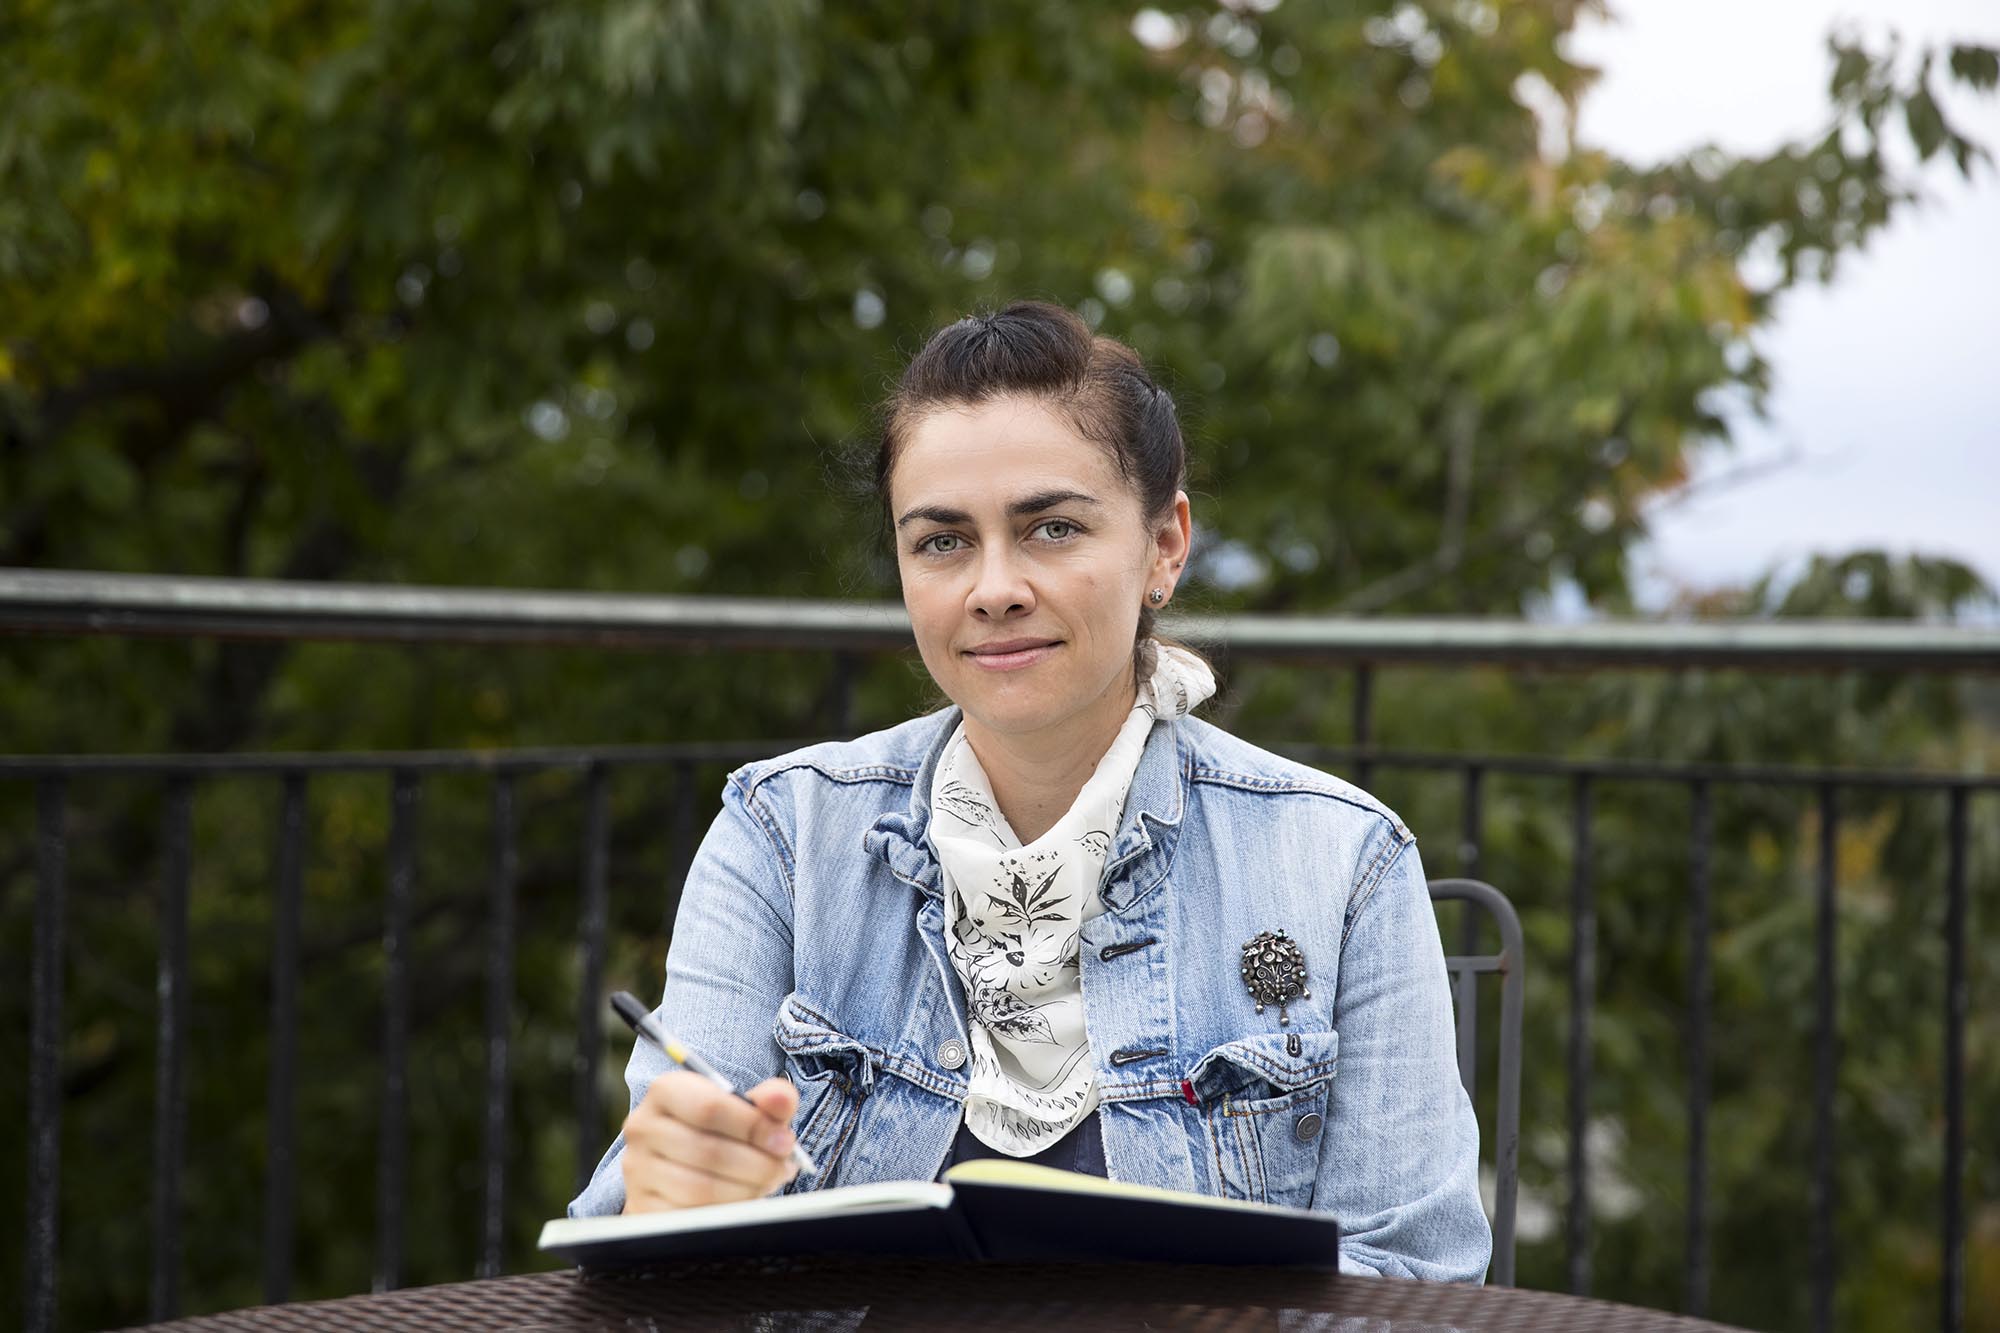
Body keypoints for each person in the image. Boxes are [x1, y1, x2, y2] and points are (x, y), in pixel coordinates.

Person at [569, 300, 1491, 1281]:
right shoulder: (780, 836)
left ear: (1164, 546)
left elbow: (1413, 1278)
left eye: (1050, 528)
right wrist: (666, 1196)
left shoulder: (1340, 863)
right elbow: (631, 1221)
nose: (992, 587)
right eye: (940, 541)